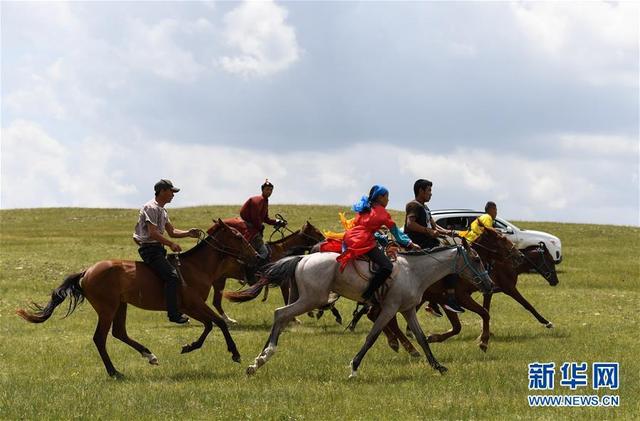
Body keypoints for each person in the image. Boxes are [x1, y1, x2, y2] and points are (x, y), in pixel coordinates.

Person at [337, 185, 420, 303]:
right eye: (387, 197)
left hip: (350, 236)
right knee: (387, 266)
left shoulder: (366, 207)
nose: (388, 200)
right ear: (380, 197)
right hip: (362, 239)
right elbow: (396, 233)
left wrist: (378, 236)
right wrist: (410, 243)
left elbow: (364, 227)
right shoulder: (382, 213)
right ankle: (367, 295)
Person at [133, 179, 200, 324]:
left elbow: (172, 231)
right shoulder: (151, 207)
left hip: (157, 249)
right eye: (171, 192)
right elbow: (153, 233)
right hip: (150, 250)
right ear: (162, 191)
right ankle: (174, 314)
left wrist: (189, 233)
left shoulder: (162, 210)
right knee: (172, 277)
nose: (173, 195)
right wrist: (171, 244)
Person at [404, 179, 465, 315]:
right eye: (429, 190)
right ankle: (449, 298)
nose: (431, 194)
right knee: (450, 262)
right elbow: (410, 224)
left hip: (430, 242)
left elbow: (434, 225)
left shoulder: (425, 207)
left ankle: (433, 301)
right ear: (421, 191)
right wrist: (428, 231)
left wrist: (449, 232)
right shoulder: (414, 206)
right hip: (420, 244)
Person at [239, 179, 285, 264]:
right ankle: (253, 268)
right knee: (265, 252)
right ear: (262, 190)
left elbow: (266, 219)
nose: (269, 192)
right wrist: (260, 227)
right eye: (267, 189)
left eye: (271, 190)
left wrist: (278, 221)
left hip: (254, 229)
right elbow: (255, 218)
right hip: (251, 229)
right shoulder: (258, 200)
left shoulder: (265, 201)